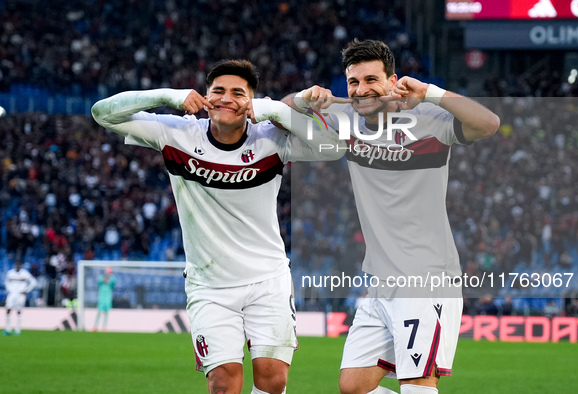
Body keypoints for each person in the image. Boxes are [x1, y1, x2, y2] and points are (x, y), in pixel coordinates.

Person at [92, 59, 345, 394]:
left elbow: (335, 146)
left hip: (267, 279)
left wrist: (273, 110)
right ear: (206, 97)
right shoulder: (177, 133)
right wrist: (171, 95)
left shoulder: (272, 139)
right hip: (209, 286)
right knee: (224, 383)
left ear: (252, 101)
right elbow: (102, 112)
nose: (227, 98)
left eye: (238, 93)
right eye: (219, 91)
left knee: (273, 380)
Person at [290, 39, 499, 394]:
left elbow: (489, 123)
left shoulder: (429, 120)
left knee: (417, 386)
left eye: (371, 80)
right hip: (378, 282)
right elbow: (276, 114)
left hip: (425, 279)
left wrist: (431, 92)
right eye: (353, 82)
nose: (361, 89)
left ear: (392, 81)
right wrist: (301, 100)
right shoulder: (346, 122)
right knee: (353, 387)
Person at [3, 260, 38, 336]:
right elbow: (6, 282)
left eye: (19, 265)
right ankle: (7, 329)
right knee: (8, 309)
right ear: (15, 265)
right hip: (12, 294)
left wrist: (27, 290)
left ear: (21, 265)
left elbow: (34, 282)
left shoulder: (25, 273)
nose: (18, 266)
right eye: (16, 265)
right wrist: (9, 289)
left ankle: (17, 329)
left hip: (20, 294)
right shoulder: (10, 273)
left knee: (19, 311)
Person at [93, 267, 116, 332]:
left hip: (107, 298)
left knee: (106, 313)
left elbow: (113, 282)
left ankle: (104, 327)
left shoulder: (111, 280)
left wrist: (110, 277)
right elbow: (99, 281)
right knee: (99, 312)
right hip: (101, 298)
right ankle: (95, 326)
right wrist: (104, 278)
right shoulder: (101, 278)